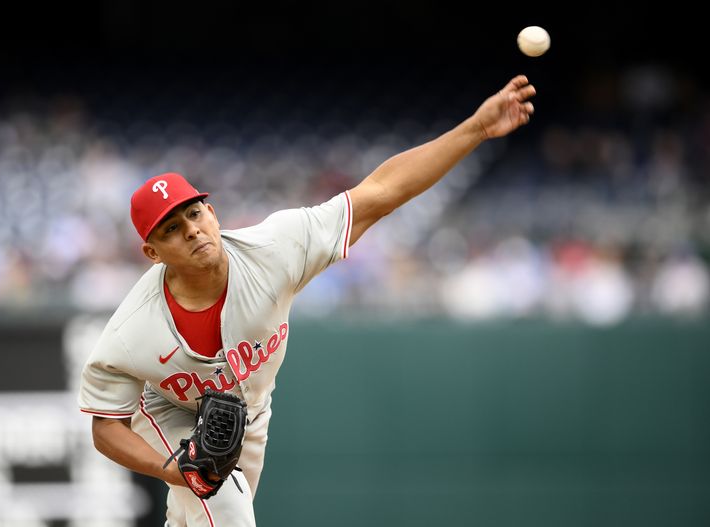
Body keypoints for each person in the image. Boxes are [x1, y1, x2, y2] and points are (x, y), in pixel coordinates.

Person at [78, 75, 536, 526]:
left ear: (212, 212)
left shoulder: (276, 249)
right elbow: (106, 427)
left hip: (252, 411)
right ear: (152, 253)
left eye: (194, 213)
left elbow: (380, 193)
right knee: (226, 508)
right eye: (171, 229)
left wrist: (475, 128)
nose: (192, 230)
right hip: (170, 416)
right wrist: (173, 469)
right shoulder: (132, 330)